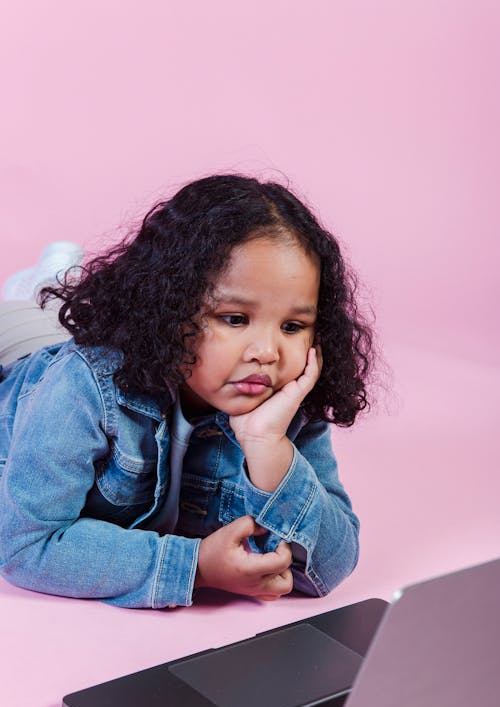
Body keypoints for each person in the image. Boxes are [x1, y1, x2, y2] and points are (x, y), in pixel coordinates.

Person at [0, 174, 373, 609]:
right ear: (169, 309)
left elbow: (331, 564)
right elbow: (27, 544)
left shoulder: (286, 404)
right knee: (39, 312)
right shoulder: (84, 382)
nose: (267, 352)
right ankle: (39, 284)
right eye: (234, 319)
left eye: (292, 326)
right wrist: (195, 567)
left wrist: (268, 448)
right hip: (25, 360)